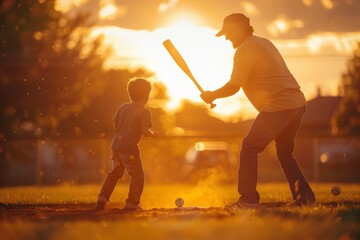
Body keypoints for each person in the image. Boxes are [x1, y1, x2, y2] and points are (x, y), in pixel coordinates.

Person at [200, 13, 315, 208]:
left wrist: (212, 95)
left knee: (249, 147)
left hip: (279, 105)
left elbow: (234, 86)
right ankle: (304, 198)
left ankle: (248, 199)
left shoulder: (245, 49)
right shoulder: (263, 42)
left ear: (237, 30)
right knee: (285, 154)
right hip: (296, 103)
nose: (227, 38)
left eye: (228, 33)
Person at [95, 78, 159, 211]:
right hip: (129, 148)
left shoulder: (123, 107)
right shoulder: (145, 112)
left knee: (115, 173)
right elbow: (144, 131)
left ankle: (102, 196)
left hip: (116, 146)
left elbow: (115, 124)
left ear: (130, 93)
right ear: (146, 96)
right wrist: (153, 134)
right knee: (137, 175)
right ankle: (132, 202)